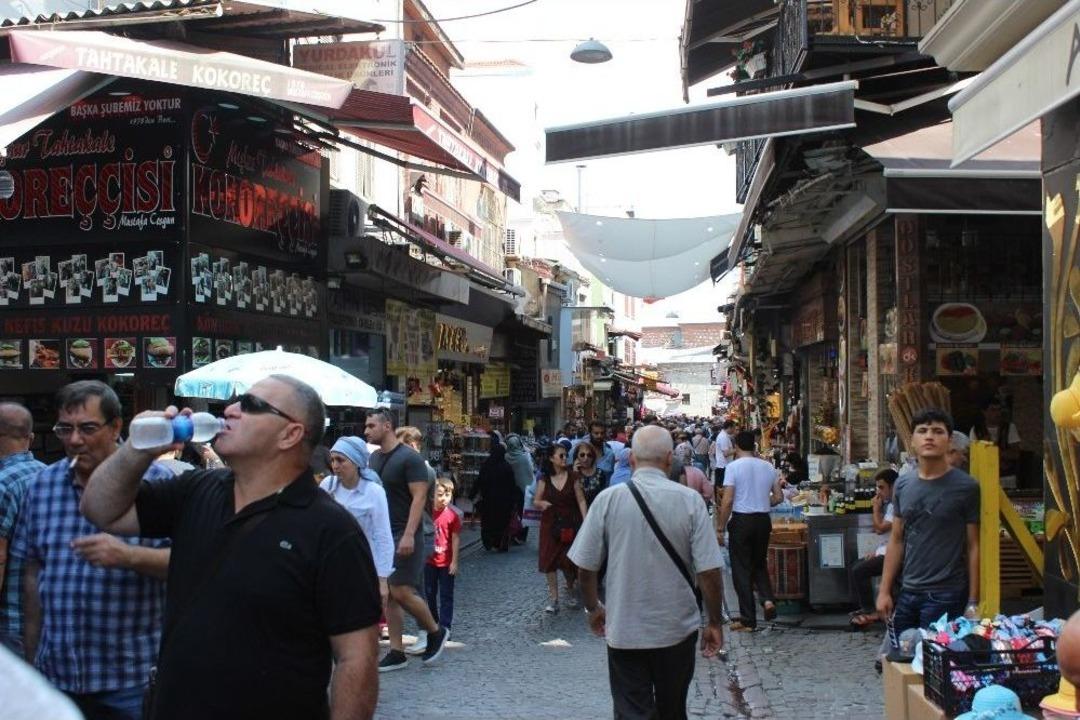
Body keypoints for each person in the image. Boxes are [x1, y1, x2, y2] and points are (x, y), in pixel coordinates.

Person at [80, 375, 382, 720]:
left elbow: (355, 657)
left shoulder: (331, 529)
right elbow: (100, 510)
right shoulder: (197, 489)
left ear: (291, 434)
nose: (231, 410)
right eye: (236, 401)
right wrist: (137, 449)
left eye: (251, 405)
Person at [12, 381, 171, 720]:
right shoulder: (42, 484)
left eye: (87, 428)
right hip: (58, 675)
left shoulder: (158, 483)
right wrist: (31, 659)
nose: (73, 440)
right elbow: (33, 575)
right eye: (64, 429)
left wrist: (129, 556)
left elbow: (189, 565)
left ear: (116, 427)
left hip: (130, 677)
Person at [567, 425, 725, 720]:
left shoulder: (608, 500)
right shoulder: (690, 501)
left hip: (625, 627)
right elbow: (710, 572)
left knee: (631, 711)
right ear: (669, 459)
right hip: (677, 628)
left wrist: (593, 607)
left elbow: (585, 568)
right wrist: (714, 621)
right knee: (672, 709)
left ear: (631, 461)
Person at [878, 408, 980, 639]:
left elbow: (973, 545)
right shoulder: (903, 485)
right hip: (908, 590)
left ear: (949, 440)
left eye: (937, 431)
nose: (929, 436)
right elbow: (896, 540)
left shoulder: (966, 487)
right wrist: (884, 591)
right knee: (900, 660)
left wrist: (973, 600)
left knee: (935, 666)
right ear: (912, 441)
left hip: (948, 593)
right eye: (922, 431)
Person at [365, 409, 448, 672]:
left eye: (371, 425)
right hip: (383, 533)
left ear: (387, 426)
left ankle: (435, 631)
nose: (366, 431)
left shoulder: (410, 458)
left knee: (401, 590)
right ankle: (397, 651)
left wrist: (410, 534)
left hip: (404, 532)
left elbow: (419, 498)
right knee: (389, 594)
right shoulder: (374, 458)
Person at [715, 430, 782, 631]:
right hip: (763, 520)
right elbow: (778, 497)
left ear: (736, 446)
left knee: (741, 569)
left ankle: (748, 619)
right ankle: (768, 600)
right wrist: (762, 500)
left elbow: (727, 501)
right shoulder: (768, 467)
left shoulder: (733, 467)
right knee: (759, 563)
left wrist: (720, 527)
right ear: (754, 445)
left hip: (742, 520)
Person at [321, 436, 394, 610]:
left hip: (362, 567)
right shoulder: (327, 485)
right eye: (332, 460)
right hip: (330, 566)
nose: (335, 465)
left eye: (341, 460)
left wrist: (382, 579)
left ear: (356, 462)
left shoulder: (374, 492)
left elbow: (382, 535)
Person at [0, 403, 44, 656]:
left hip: (9, 623)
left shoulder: (3, 483)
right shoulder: (49, 476)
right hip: (46, 620)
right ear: (31, 437)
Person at [535, 443, 588, 613]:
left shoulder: (573, 477)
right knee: (549, 561)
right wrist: (541, 503)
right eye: (561, 455)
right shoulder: (544, 479)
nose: (565, 458)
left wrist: (586, 520)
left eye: (566, 455)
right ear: (551, 458)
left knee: (568, 561)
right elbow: (536, 500)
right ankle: (554, 599)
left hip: (569, 523)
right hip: (550, 524)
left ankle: (570, 591)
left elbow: (580, 500)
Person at [848, 468, 898, 628]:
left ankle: (870, 610)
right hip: (885, 550)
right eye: (877, 488)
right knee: (857, 566)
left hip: (894, 554)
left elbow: (880, 528)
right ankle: (866, 607)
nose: (879, 492)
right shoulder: (889, 504)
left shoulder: (894, 505)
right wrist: (876, 552)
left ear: (892, 486)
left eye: (882, 488)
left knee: (860, 570)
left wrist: (875, 509)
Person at [423, 478, 461, 639]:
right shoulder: (427, 513)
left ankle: (445, 627)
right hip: (429, 561)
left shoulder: (453, 516)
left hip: (446, 563)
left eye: (448, 495)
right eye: (440, 494)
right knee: (429, 594)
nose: (444, 498)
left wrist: (454, 561)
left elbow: (455, 539)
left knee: (446, 596)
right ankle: (433, 623)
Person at [470, 441, 518, 552]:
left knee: (487, 522)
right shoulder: (507, 467)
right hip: (504, 503)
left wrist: (472, 494)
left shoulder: (486, 466)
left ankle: (488, 542)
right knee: (502, 523)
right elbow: (512, 485)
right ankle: (499, 543)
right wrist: (514, 501)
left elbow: (479, 481)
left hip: (488, 501)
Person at [968, 398, 1020, 481]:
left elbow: (1016, 454)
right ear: (984, 412)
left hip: (1006, 476)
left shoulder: (1009, 428)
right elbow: (973, 456)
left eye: (999, 410)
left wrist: (995, 450)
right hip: (984, 476)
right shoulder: (976, 430)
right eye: (993, 410)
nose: (997, 413)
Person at [505, 434, 535, 543]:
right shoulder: (525, 456)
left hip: (511, 490)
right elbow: (530, 471)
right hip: (524, 489)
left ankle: (513, 533)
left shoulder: (506, 457)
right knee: (523, 512)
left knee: (513, 512)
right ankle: (521, 535)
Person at [573, 441, 609, 508]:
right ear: (576, 456)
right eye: (582, 455)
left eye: (589, 455)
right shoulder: (571, 473)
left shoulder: (600, 473)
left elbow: (604, 496)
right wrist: (575, 473)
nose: (586, 458)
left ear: (593, 458)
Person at [711, 420, 736, 487]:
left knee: (721, 486)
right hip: (723, 466)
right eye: (734, 427)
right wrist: (737, 450)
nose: (735, 429)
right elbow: (726, 453)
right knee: (721, 487)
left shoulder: (724, 436)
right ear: (729, 427)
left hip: (724, 465)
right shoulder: (723, 437)